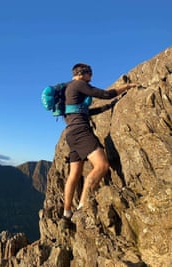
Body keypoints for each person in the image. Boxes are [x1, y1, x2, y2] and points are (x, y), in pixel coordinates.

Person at [60, 63, 136, 227]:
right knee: (102, 166)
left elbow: (87, 112)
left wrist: (110, 106)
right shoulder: (79, 84)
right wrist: (128, 86)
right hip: (81, 132)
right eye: (90, 74)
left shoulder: (68, 91)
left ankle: (66, 214)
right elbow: (105, 94)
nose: (92, 77)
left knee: (74, 174)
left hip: (71, 134)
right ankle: (82, 207)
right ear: (82, 73)